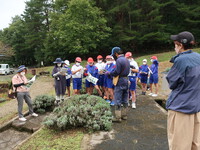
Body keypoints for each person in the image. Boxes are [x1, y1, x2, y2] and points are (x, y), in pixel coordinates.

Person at [166, 31, 200, 150]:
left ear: (180, 45)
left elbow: (172, 82)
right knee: (195, 144)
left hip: (180, 108)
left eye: (175, 44)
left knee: (179, 145)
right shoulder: (198, 57)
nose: (175, 47)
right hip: (196, 107)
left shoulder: (180, 60)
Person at [109, 47, 130, 122]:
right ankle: (124, 115)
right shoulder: (127, 59)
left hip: (120, 80)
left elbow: (117, 72)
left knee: (117, 98)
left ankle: (118, 117)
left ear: (116, 53)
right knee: (125, 98)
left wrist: (110, 73)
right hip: (126, 79)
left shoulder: (118, 60)